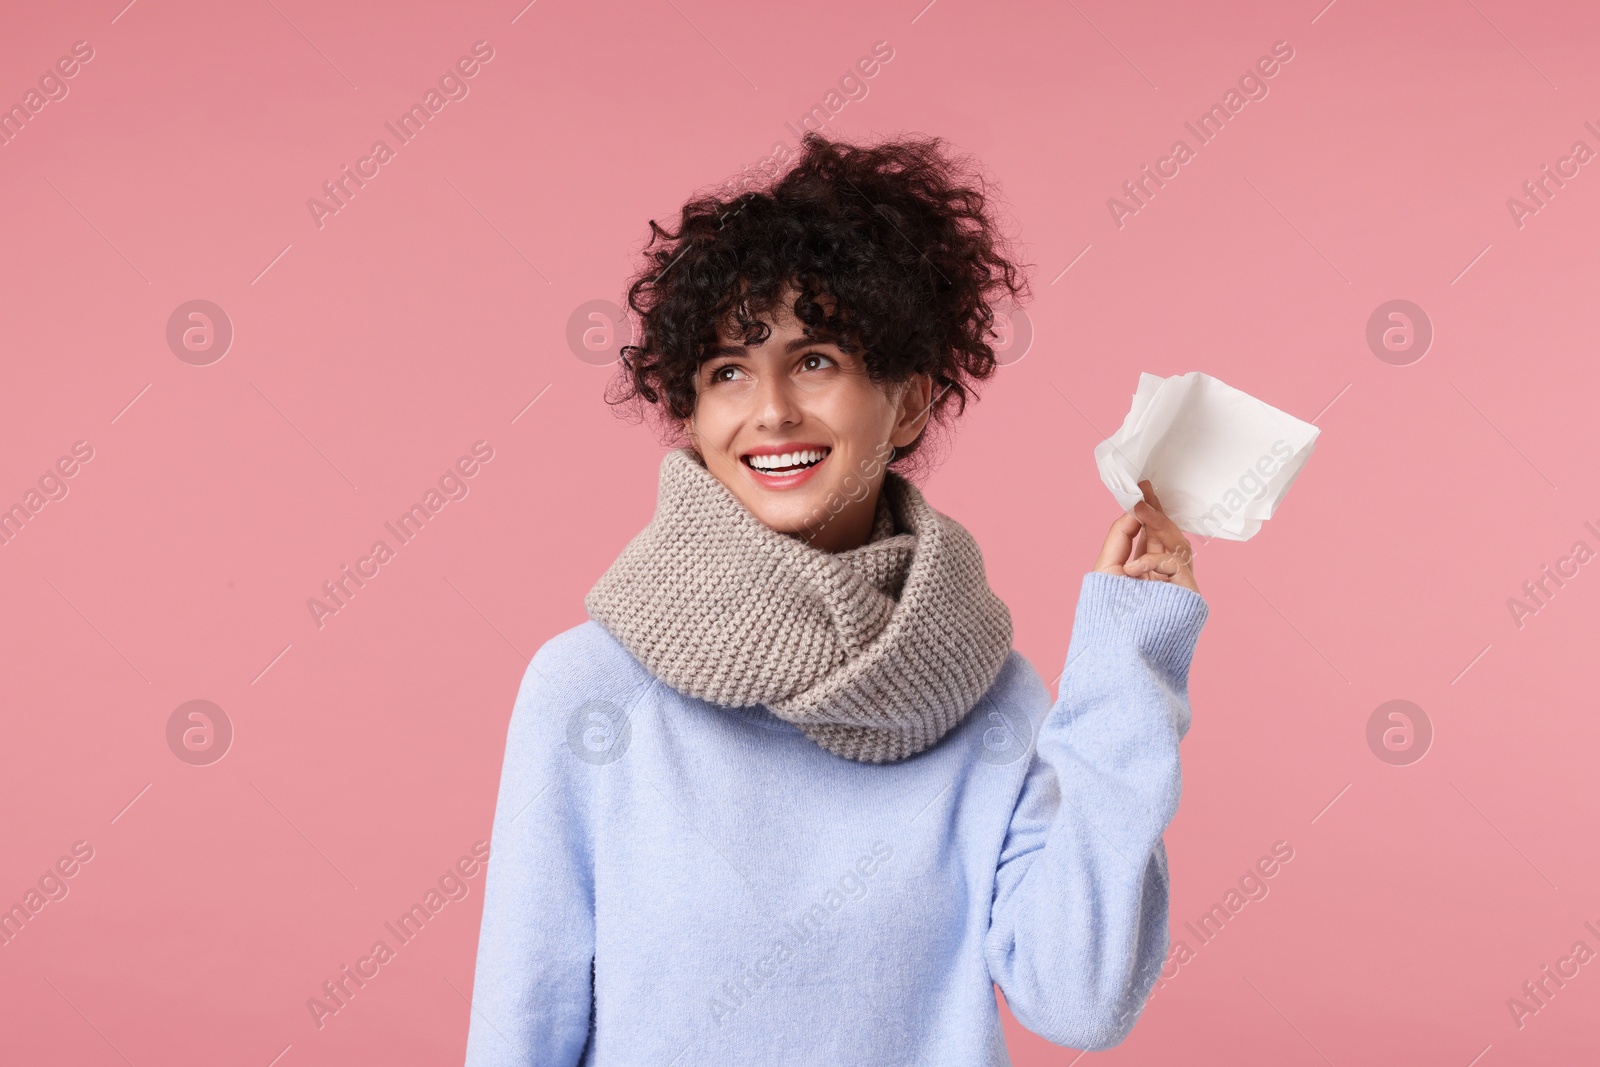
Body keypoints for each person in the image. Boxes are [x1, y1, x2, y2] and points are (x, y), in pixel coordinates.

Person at [463, 132, 1207, 1066]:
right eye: (727, 371)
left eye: (815, 360)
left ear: (908, 403)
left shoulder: (991, 697)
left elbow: (1080, 998)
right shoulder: (588, 690)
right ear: (688, 412)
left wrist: (1127, 666)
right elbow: (519, 1030)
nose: (770, 409)